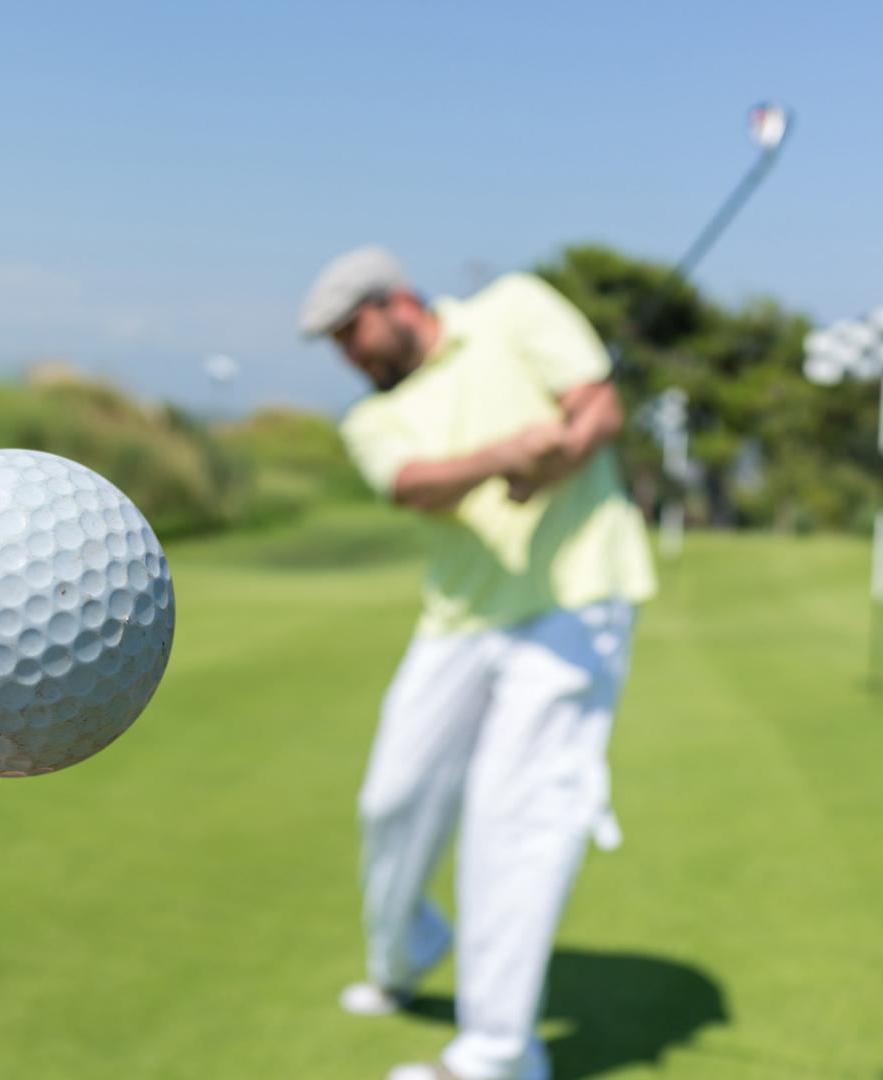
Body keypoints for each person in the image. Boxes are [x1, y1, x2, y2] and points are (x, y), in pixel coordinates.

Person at [297, 246, 657, 1080]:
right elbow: (416, 484)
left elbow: (598, 411)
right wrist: (508, 457)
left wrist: (554, 454)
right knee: (391, 801)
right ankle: (405, 951)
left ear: (399, 302)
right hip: (459, 616)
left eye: (353, 331)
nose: (350, 354)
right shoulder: (370, 418)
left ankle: (497, 1052)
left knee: (514, 817)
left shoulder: (516, 308)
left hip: (575, 599)